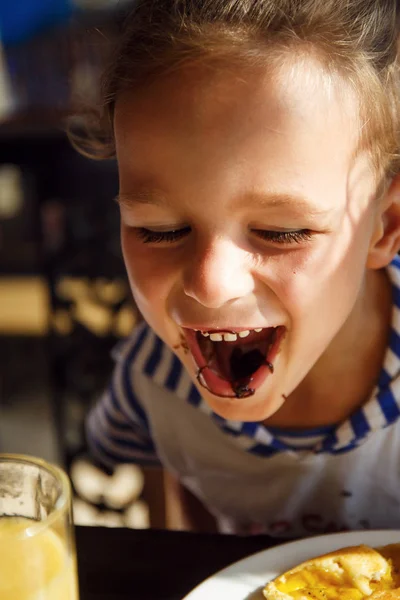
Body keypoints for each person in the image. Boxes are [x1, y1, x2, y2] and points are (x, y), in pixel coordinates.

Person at [79, 0, 400, 538]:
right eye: (159, 230)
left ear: (385, 229)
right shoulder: (151, 385)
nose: (210, 284)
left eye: (281, 232)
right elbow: (173, 542)